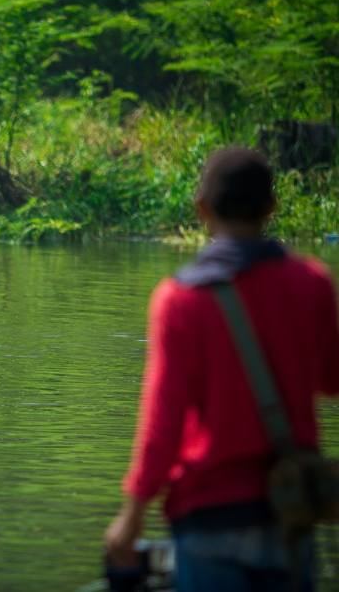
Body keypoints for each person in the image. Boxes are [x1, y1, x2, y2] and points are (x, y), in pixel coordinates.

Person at [104, 147, 339, 590]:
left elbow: (164, 424)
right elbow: (331, 379)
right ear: (271, 208)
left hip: (207, 518)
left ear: (202, 210)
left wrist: (132, 516)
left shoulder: (179, 300)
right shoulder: (313, 284)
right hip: (286, 512)